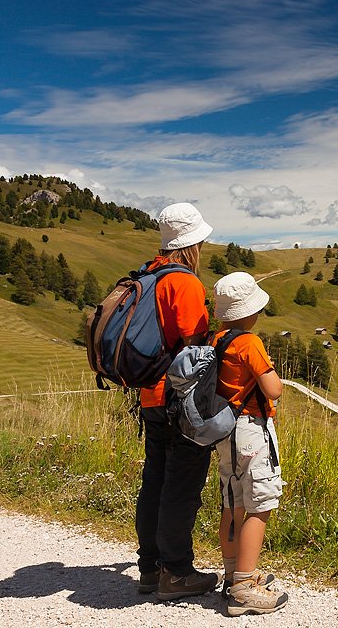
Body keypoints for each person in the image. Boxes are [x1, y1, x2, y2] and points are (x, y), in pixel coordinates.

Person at [135, 202, 221, 600]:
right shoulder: (184, 282)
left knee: (154, 480)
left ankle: (150, 568)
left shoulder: (149, 274)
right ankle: (177, 572)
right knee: (181, 484)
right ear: (193, 243)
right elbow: (196, 344)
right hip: (178, 400)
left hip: (150, 395)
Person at [210, 272, 288, 616]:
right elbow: (273, 390)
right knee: (260, 504)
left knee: (232, 502)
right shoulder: (249, 342)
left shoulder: (217, 340)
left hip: (225, 430)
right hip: (252, 430)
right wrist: (272, 374)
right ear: (250, 311)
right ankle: (244, 588)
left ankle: (232, 574)